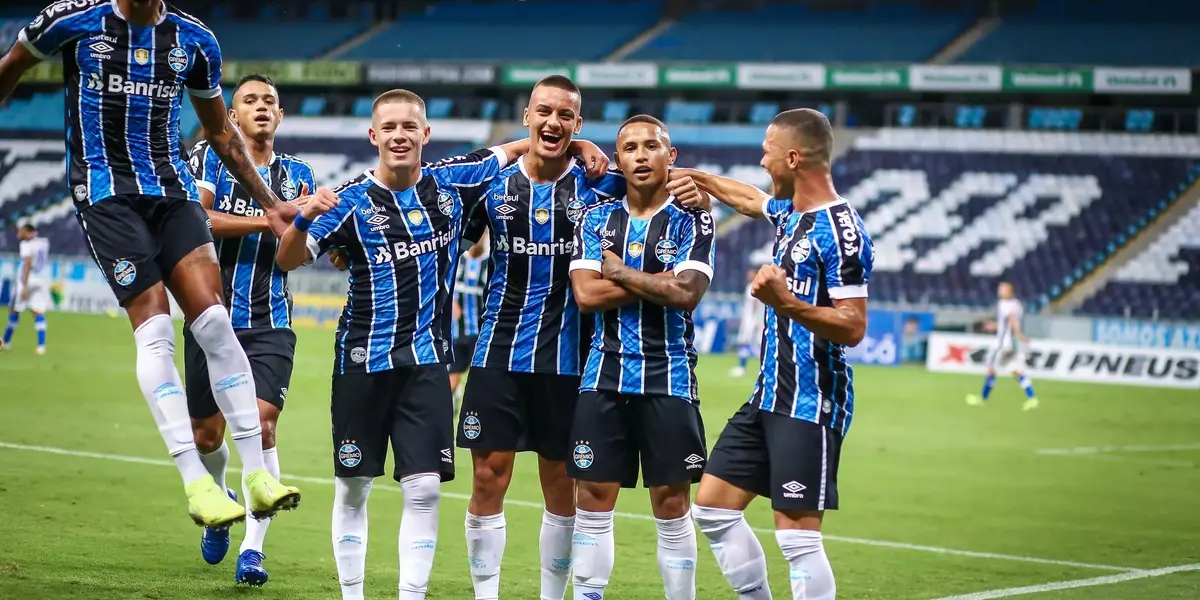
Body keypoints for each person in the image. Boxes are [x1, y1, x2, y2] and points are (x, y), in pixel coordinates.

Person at [274, 89, 609, 600]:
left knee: (428, 489)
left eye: (410, 126)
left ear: (426, 134)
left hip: (434, 362)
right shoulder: (347, 199)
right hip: (364, 360)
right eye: (389, 128)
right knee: (355, 486)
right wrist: (302, 218)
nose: (400, 135)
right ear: (373, 135)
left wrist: (578, 143)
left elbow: (526, 148)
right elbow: (287, 260)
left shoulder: (453, 183)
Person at [0, 0, 300, 528]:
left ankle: (257, 474)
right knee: (157, 326)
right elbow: (13, 67)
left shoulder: (195, 40)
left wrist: (271, 205)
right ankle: (196, 482)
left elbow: (221, 135)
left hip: (172, 193)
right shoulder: (71, 20)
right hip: (106, 195)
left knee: (213, 319)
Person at [452, 76, 708, 600]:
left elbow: (652, 176)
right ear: (527, 116)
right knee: (487, 481)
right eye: (543, 113)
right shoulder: (490, 185)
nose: (553, 123)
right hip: (497, 350)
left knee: (561, 489)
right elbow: (440, 225)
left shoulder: (598, 183)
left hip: (571, 359)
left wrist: (692, 187)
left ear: (578, 125)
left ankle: (552, 595)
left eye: (565, 117)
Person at [673, 108, 874, 600]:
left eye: (766, 153)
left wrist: (787, 303)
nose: (761, 162)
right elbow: (750, 199)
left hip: (811, 400)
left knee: (797, 536)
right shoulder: (792, 215)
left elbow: (853, 327)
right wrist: (692, 178)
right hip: (769, 395)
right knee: (714, 507)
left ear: (792, 157)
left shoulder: (841, 231)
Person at [567, 115, 715, 600]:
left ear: (670, 157)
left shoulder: (695, 217)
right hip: (602, 376)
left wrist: (623, 272)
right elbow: (587, 296)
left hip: (668, 377)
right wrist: (656, 280)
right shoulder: (595, 218)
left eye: (652, 146)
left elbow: (687, 294)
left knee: (673, 504)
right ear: (620, 159)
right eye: (629, 147)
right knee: (591, 500)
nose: (641, 155)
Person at [183, 73, 316, 585]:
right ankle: (221, 498)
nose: (261, 107)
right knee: (206, 434)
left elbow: (297, 253)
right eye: (249, 101)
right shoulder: (209, 159)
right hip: (211, 317)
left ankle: (253, 551)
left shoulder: (299, 174)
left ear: (280, 116)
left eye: (270, 101)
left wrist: (300, 231)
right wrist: (271, 218)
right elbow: (198, 219)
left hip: (270, 324)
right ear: (232, 116)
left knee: (262, 425)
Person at [967, 281, 1038, 411]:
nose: (999, 290)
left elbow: (1011, 320)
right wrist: (994, 326)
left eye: (1003, 288)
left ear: (1009, 291)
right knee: (1017, 371)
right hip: (1012, 344)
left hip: (1002, 344)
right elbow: (1007, 323)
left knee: (991, 370)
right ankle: (1032, 398)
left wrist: (1019, 333)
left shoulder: (1004, 304)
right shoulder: (1017, 304)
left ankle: (982, 398)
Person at [449, 230, 490, 397]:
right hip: (457, 332)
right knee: (452, 377)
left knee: (479, 380)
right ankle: (447, 412)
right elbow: (443, 284)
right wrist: (451, 303)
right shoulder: (458, 260)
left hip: (479, 334)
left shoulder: (490, 263)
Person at [1, 223, 49, 354]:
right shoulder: (43, 242)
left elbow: (27, 263)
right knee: (37, 311)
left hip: (27, 280)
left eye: (21, 231)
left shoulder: (25, 245)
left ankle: (5, 342)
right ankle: (41, 347)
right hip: (40, 279)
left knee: (14, 310)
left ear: (28, 233)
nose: (18, 234)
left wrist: (24, 286)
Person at [731, 267, 765, 377]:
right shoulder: (755, 286)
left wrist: (754, 319)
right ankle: (760, 368)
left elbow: (754, 303)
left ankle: (742, 367)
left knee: (745, 342)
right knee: (756, 344)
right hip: (753, 319)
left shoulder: (753, 286)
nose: (749, 275)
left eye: (751, 274)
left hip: (752, 319)